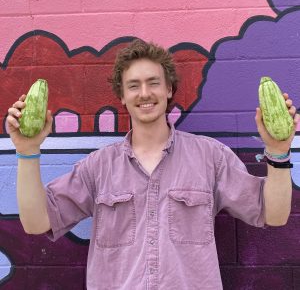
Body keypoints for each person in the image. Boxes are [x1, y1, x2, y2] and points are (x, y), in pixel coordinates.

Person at [6, 39, 299, 290]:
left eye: (153, 83)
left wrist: (277, 151)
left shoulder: (210, 157)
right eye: (133, 85)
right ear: (122, 96)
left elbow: (272, 214)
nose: (144, 93)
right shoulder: (99, 167)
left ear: (169, 89)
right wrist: (28, 151)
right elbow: (37, 223)